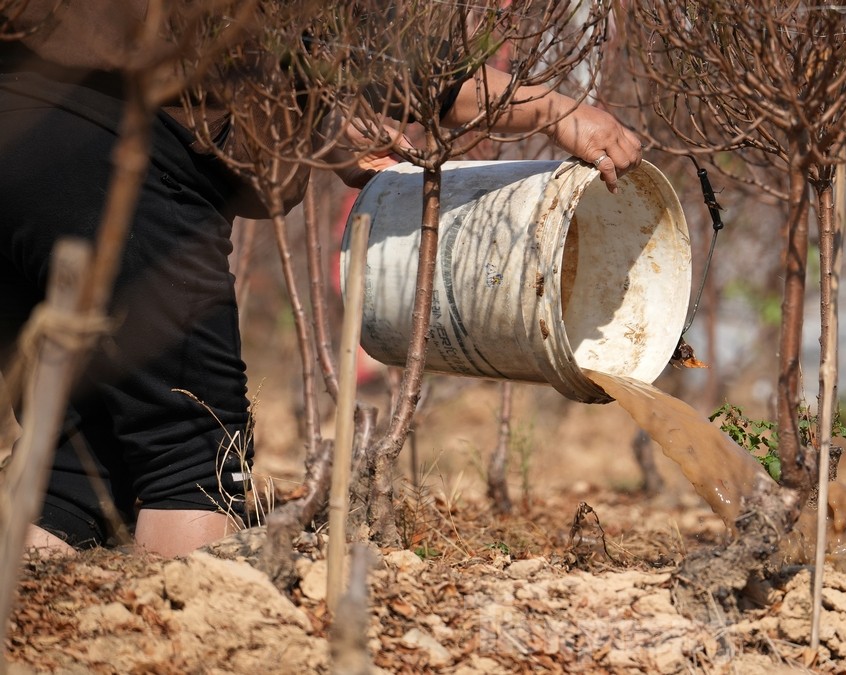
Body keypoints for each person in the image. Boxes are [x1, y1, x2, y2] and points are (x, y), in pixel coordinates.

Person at [0, 4, 641, 557]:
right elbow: (412, 64)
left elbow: (234, 46)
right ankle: (189, 643)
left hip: (16, 135)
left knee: (73, 470)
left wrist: (323, 128)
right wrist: (558, 110)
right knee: (192, 459)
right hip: (121, 158)